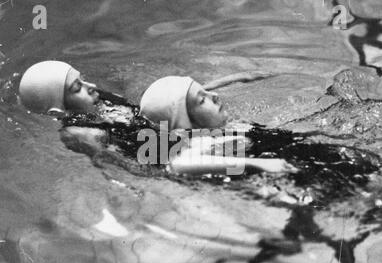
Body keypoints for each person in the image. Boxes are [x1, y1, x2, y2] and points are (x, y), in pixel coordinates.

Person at [18, 61, 297, 176]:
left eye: (83, 79)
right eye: (77, 88)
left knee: (268, 138)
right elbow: (134, 167)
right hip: (171, 156)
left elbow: (160, 105)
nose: (91, 86)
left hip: (174, 138)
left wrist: (229, 80)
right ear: (58, 111)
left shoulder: (98, 100)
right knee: (260, 153)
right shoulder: (79, 132)